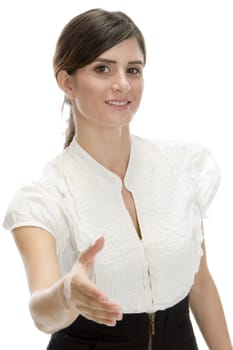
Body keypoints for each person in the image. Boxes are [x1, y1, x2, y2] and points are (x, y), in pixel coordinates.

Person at [2, 8, 232, 350]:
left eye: (133, 70)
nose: (123, 84)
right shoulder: (46, 196)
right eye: (102, 68)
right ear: (66, 81)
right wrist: (66, 295)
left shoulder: (181, 167)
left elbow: (199, 284)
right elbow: (41, 312)